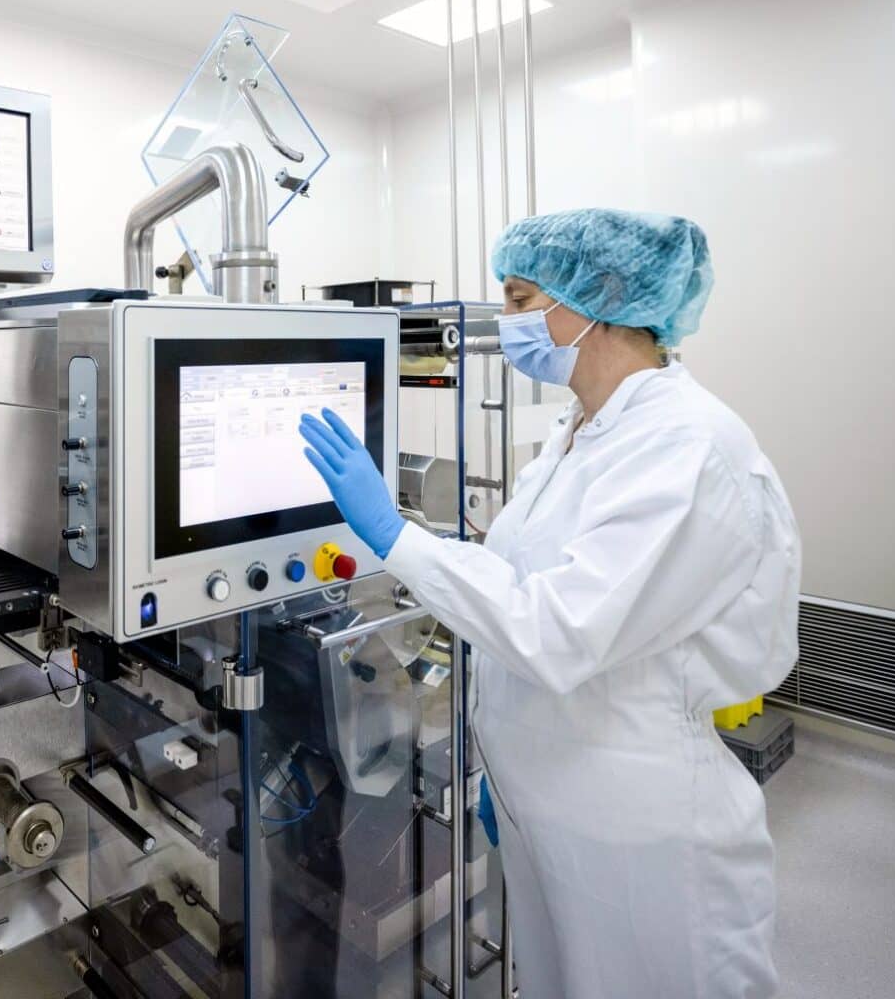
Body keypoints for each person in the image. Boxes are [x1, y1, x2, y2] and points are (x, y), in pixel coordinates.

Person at [299, 209, 800, 999]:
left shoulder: (687, 447)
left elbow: (552, 628)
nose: (508, 323)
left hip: (640, 825)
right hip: (552, 798)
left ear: (598, 300)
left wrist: (396, 537)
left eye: (521, 297)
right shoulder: (584, 431)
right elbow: (517, 572)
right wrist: (508, 765)